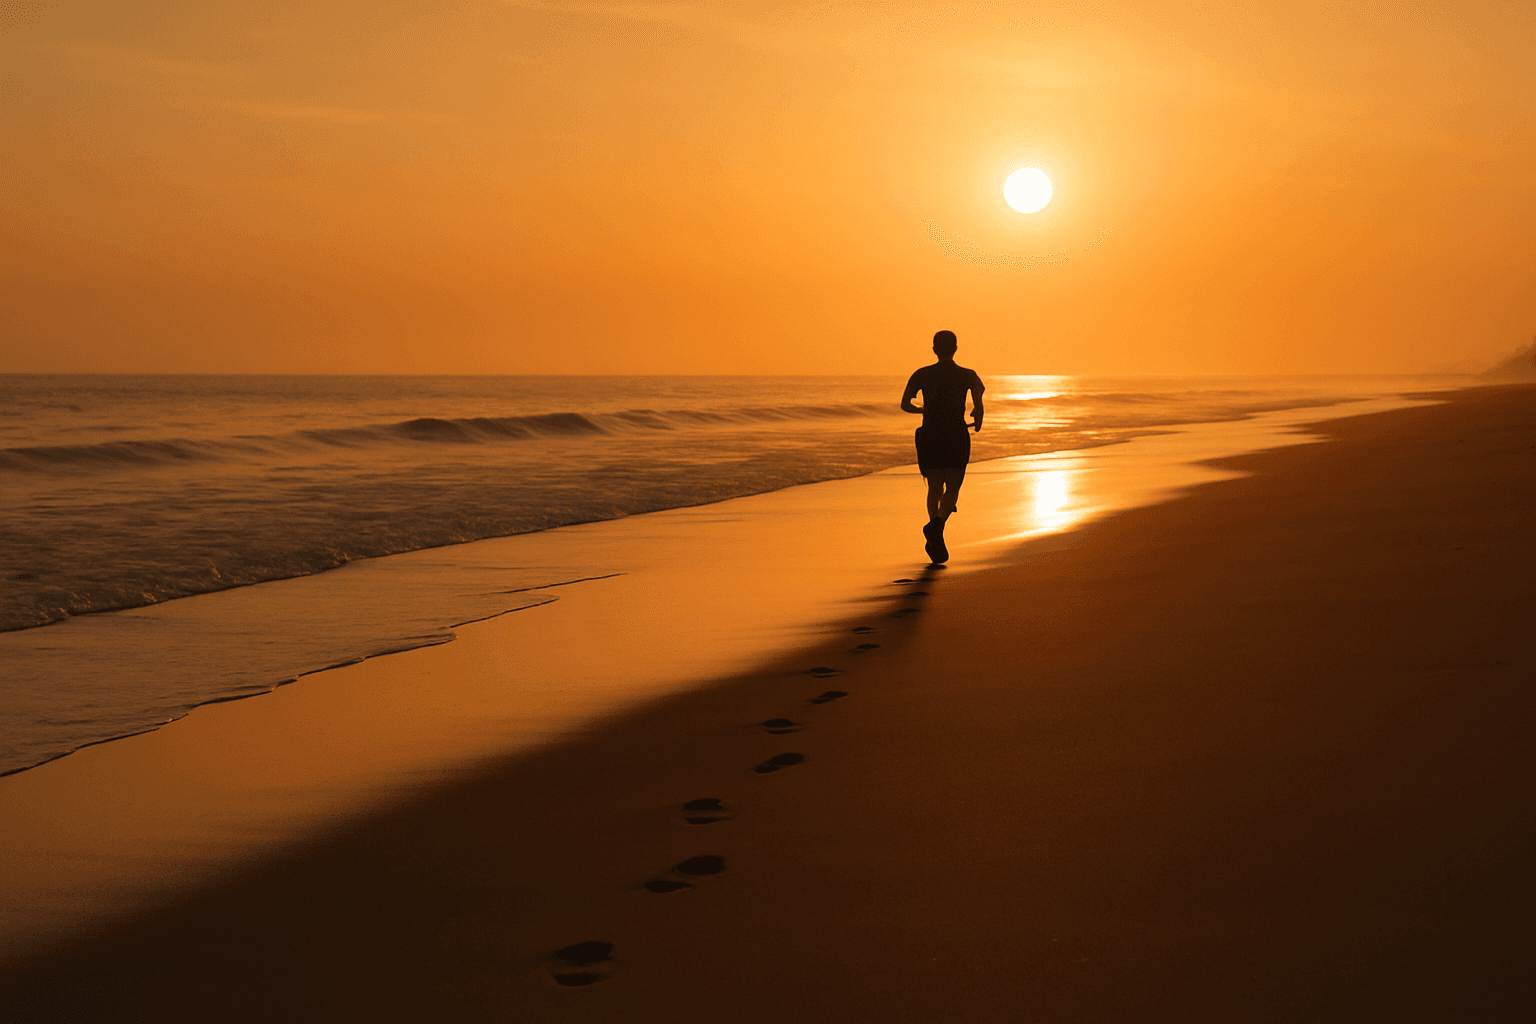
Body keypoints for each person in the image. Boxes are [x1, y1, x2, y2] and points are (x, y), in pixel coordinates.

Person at [900, 330, 985, 564]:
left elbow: (905, 404)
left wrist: (922, 410)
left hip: (930, 434)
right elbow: (978, 405)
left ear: (934, 349)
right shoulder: (968, 375)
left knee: (935, 485)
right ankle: (937, 526)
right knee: (954, 485)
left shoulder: (922, 374)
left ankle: (936, 532)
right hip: (956, 433)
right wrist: (977, 417)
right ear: (955, 348)